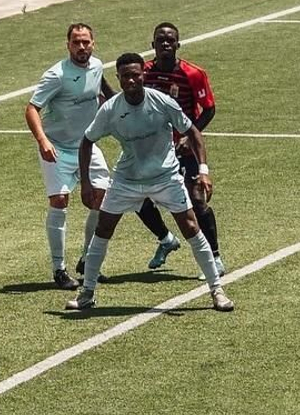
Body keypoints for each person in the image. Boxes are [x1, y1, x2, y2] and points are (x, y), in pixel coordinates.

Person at [67, 52, 231, 312]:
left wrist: (203, 170)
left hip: (165, 177)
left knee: (190, 226)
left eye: (135, 75)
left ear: (143, 75)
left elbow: (193, 132)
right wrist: (86, 182)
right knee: (103, 229)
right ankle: (87, 292)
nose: (131, 80)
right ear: (119, 79)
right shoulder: (110, 110)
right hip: (126, 179)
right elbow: (87, 141)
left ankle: (216, 290)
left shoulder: (162, 102)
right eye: (125, 76)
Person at [24, 24, 178, 291]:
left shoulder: (96, 66)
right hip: (58, 148)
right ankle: (59, 269)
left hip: (86, 145)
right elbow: (32, 108)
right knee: (60, 201)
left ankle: (86, 258)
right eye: (76, 42)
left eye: (85, 42)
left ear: (93, 43)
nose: (81, 47)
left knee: (103, 198)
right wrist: (43, 141)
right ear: (68, 45)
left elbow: (107, 93)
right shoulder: (56, 75)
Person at [143, 22, 222, 277]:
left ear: (178, 44)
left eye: (170, 40)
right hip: (153, 149)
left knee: (197, 202)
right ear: (152, 44)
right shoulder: (143, 73)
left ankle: (215, 258)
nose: (165, 44)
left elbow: (208, 109)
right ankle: (166, 239)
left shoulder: (193, 74)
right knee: (136, 199)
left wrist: (191, 134)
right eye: (160, 40)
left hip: (183, 151)